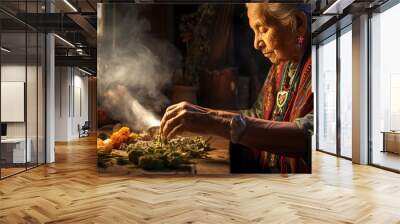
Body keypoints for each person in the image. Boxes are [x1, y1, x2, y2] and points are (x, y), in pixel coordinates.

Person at [160, 3, 313, 173]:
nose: (256, 43)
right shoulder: (282, 64)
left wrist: (213, 121)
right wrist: (203, 115)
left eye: (262, 29)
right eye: (254, 31)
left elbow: (307, 136)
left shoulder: (327, 62)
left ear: (298, 23)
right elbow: (257, 115)